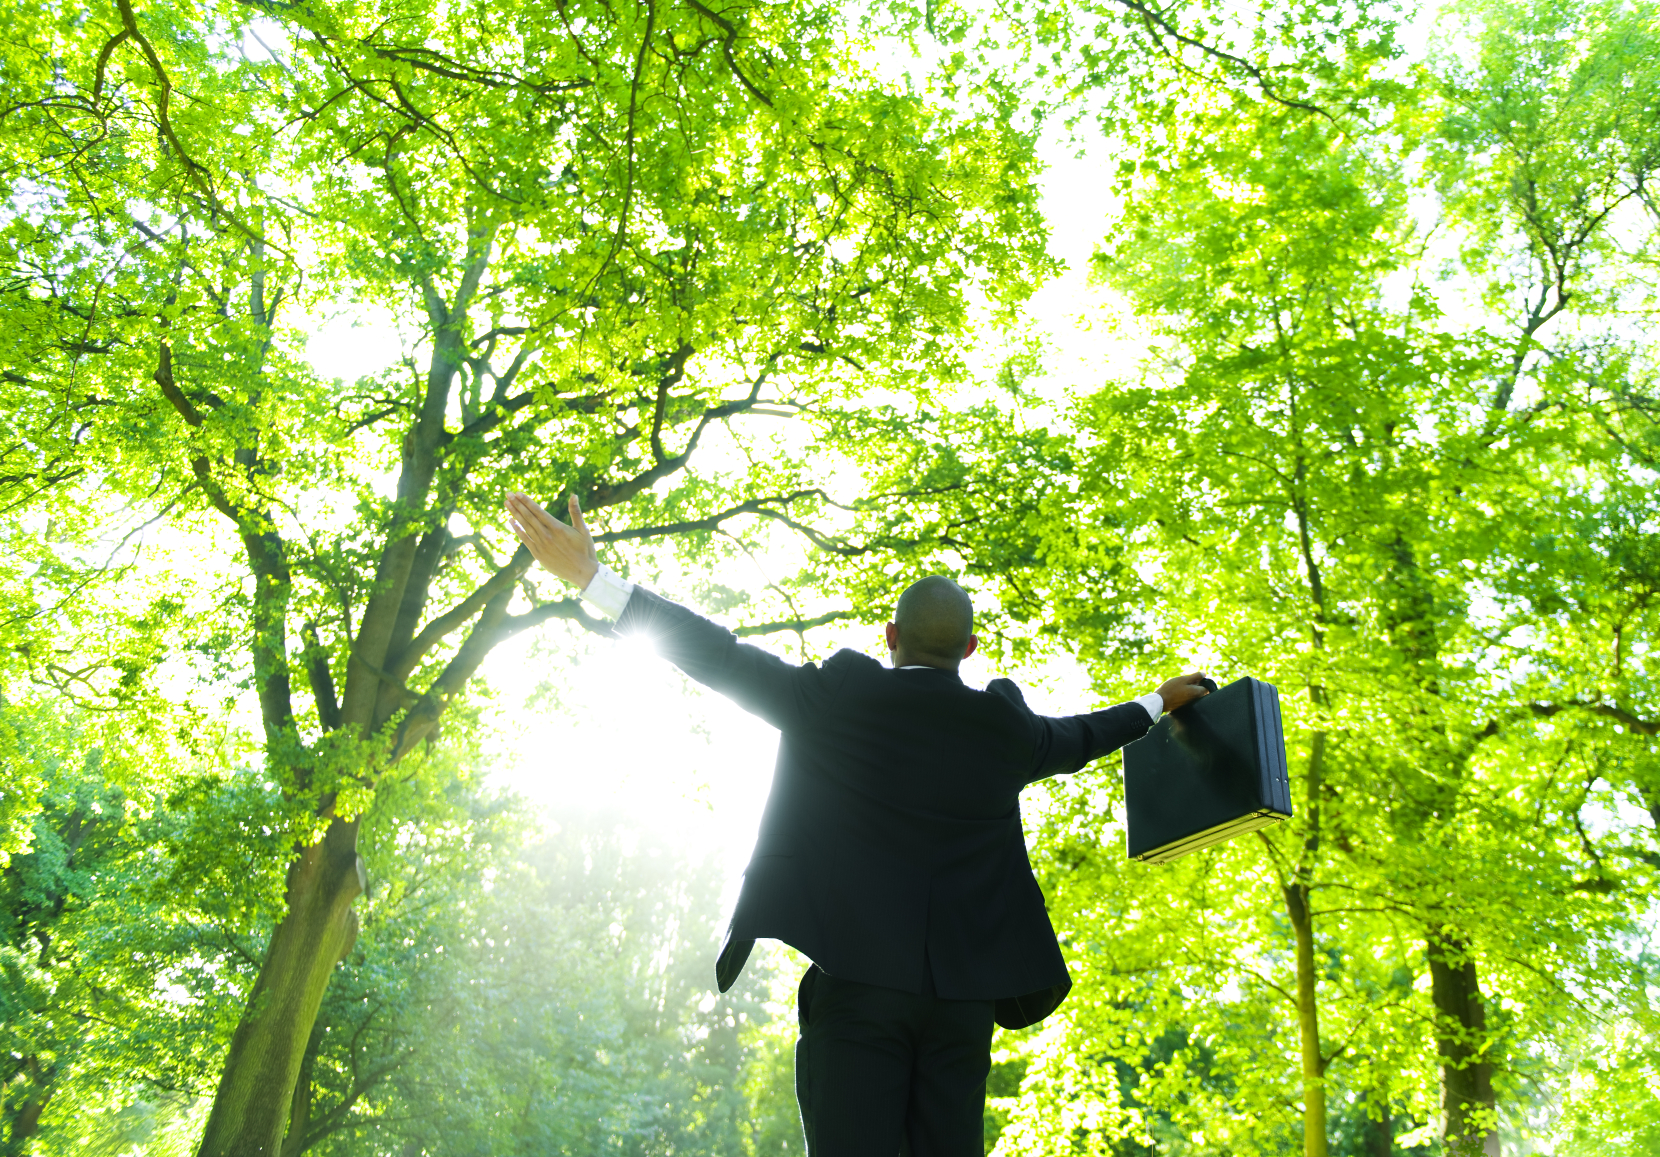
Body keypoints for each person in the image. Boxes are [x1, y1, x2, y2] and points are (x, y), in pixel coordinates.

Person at [505, 492, 1210, 1157]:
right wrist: (1160, 699)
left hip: (858, 991)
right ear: (970, 648)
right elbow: (1085, 735)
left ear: (890, 636)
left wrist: (596, 579)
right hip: (961, 1006)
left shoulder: (838, 697)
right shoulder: (1005, 727)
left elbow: (719, 656)